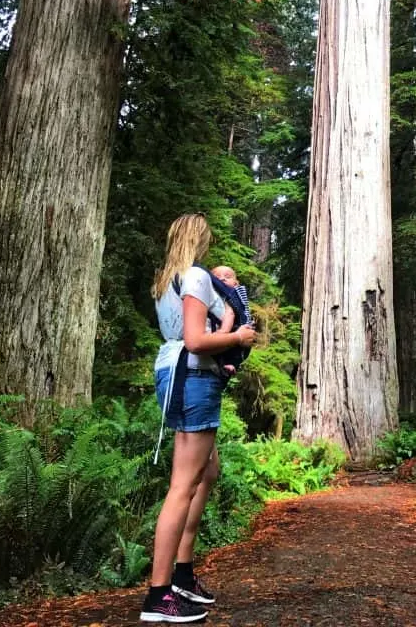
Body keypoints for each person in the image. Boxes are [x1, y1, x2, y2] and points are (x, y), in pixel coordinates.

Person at [141, 214, 256, 624]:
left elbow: (186, 332)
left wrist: (224, 321)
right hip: (193, 377)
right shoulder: (196, 276)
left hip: (176, 373)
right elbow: (196, 340)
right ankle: (159, 595)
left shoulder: (165, 281)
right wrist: (238, 337)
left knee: (209, 470)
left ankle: (184, 573)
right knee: (183, 485)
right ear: (199, 241)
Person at [209, 265, 253, 376]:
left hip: (237, 329)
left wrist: (222, 332)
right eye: (217, 277)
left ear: (236, 283)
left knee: (232, 349)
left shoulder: (230, 295)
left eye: (227, 276)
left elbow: (230, 313)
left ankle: (230, 364)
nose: (222, 279)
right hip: (242, 333)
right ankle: (231, 365)